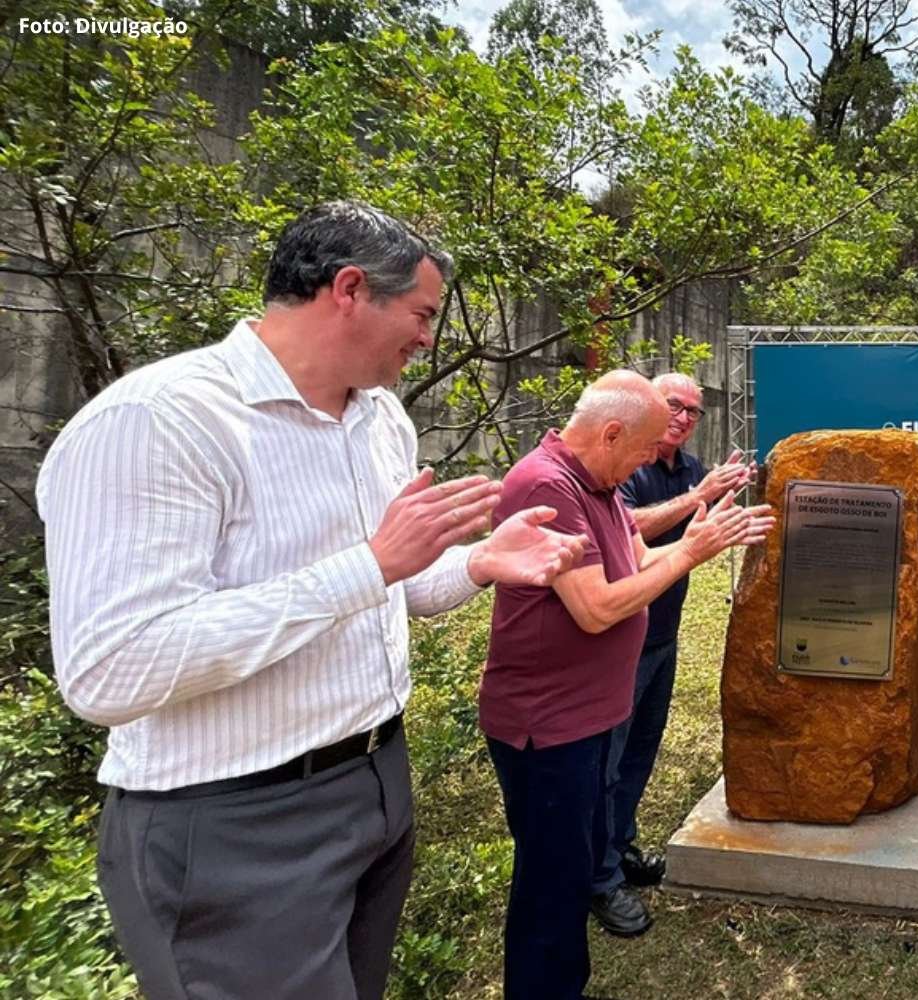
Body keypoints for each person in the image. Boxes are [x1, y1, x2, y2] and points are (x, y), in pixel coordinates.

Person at [37, 200, 587, 999]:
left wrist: (478, 565)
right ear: (351, 289)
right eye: (423, 313)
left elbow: (396, 588)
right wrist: (367, 566)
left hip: (373, 782)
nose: (430, 336)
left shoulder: (379, 419)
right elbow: (110, 672)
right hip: (233, 821)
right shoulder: (162, 420)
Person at [479, 370, 773, 999]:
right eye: (642, 449)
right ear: (612, 433)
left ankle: (563, 982)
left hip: (585, 717)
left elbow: (638, 558)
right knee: (551, 880)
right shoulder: (548, 485)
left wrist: (695, 542)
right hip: (547, 724)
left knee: (571, 862)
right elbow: (597, 608)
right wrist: (690, 555)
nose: (649, 460)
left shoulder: (601, 484)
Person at [589, 372, 756, 935]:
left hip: (664, 633)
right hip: (619, 636)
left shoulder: (688, 468)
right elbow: (625, 525)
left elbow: (701, 530)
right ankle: (600, 879)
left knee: (639, 752)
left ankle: (620, 847)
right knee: (606, 763)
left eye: (693, 411)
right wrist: (699, 498)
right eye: (674, 406)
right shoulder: (623, 461)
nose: (683, 417)